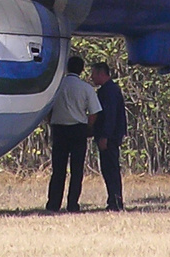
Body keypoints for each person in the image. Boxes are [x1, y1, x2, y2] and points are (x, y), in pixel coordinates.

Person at [45, 55, 100, 212]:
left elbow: (48, 108)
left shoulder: (57, 86)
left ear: (67, 68)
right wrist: (88, 126)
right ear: (82, 70)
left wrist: (52, 120)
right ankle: (72, 204)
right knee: (76, 170)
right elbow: (94, 112)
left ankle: (53, 203)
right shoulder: (86, 88)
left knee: (58, 170)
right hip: (78, 130)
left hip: (59, 129)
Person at [91, 61, 127, 211]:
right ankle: (113, 200)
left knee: (111, 169)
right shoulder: (106, 90)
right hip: (108, 136)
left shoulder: (109, 91)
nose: (91, 77)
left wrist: (105, 136)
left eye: (93, 73)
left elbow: (110, 116)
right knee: (107, 169)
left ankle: (116, 202)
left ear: (101, 73)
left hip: (110, 137)